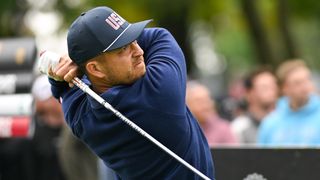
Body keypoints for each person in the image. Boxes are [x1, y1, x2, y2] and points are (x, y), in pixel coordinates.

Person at [43, 6, 214, 179]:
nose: (138, 51)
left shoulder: (80, 118)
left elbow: (63, 86)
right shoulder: (160, 90)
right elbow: (159, 36)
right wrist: (69, 66)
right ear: (95, 69)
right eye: (123, 49)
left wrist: (65, 70)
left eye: (134, 40)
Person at [258, 60, 320, 146]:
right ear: (284, 88)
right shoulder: (270, 124)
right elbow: (262, 157)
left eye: (307, 80)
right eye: (297, 83)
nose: (305, 87)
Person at [231, 68, 278, 144]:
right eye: (264, 87)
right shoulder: (239, 127)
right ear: (249, 93)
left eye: (273, 87)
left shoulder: (285, 123)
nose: (272, 91)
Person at [186, 81, 237, 146]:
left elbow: (233, 154)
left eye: (207, 100)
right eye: (199, 101)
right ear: (187, 105)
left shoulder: (223, 128)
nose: (206, 105)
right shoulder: (183, 129)